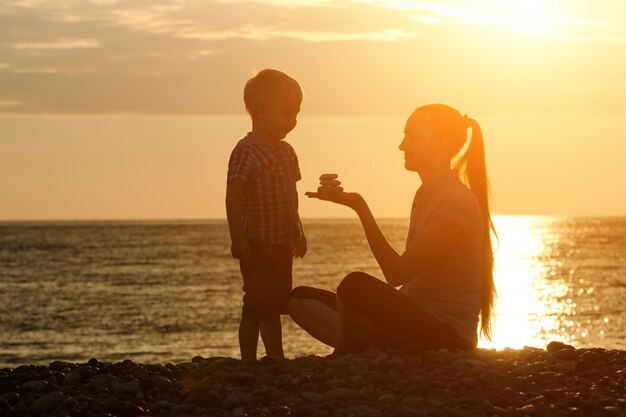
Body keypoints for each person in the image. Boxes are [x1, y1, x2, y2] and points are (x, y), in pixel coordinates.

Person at [288, 103, 496, 352]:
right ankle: (366, 345)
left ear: (441, 144)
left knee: (353, 287)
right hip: (412, 321)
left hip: (447, 336)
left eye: (413, 137)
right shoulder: (425, 194)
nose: (402, 145)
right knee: (298, 299)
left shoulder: (456, 201)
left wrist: (360, 208)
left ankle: (360, 347)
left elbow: (397, 273)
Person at [226, 69, 307, 361]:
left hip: (282, 242)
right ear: (260, 111)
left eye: (296, 114)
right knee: (256, 304)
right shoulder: (246, 151)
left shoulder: (287, 152)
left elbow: (290, 197)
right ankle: (248, 359)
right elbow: (233, 197)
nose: (292, 121)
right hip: (257, 243)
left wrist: (299, 231)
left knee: (275, 303)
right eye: (287, 113)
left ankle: (275, 356)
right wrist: (238, 239)